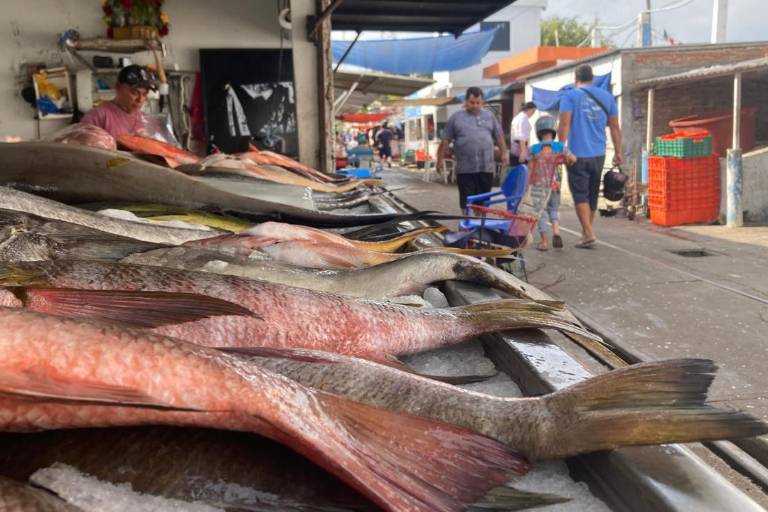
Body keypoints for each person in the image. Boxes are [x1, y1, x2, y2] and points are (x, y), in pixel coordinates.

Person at [558, 64, 622, 249]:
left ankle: (589, 232)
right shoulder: (607, 96)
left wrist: (561, 149)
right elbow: (615, 127)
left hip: (576, 155)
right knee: (591, 193)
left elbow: (564, 124)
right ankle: (586, 233)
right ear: (592, 78)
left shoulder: (569, 96)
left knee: (580, 195)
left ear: (575, 79)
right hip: (598, 154)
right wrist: (618, 151)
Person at [437, 87, 509, 212]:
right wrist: (439, 160)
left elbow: (499, 136)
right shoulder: (456, 117)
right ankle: (468, 225)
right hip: (465, 169)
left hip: (485, 168)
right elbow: (445, 140)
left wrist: (504, 153)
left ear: (482, 102)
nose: (475, 106)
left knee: (483, 202)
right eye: (472, 103)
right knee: (467, 202)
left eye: (478, 103)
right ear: (465, 102)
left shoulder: (489, 116)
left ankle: (480, 226)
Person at [528, 115, 576, 251]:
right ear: (553, 131)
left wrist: (527, 188)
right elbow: (574, 159)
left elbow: (530, 170)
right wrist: (567, 160)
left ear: (538, 132)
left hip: (538, 187)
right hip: (555, 185)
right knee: (554, 210)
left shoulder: (534, 149)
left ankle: (544, 242)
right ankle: (556, 232)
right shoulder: (560, 147)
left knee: (541, 212)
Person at [81, 64, 156, 139]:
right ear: (118, 87)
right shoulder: (98, 115)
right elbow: (81, 146)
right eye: (135, 93)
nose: (140, 99)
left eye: (144, 94)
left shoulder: (144, 119)